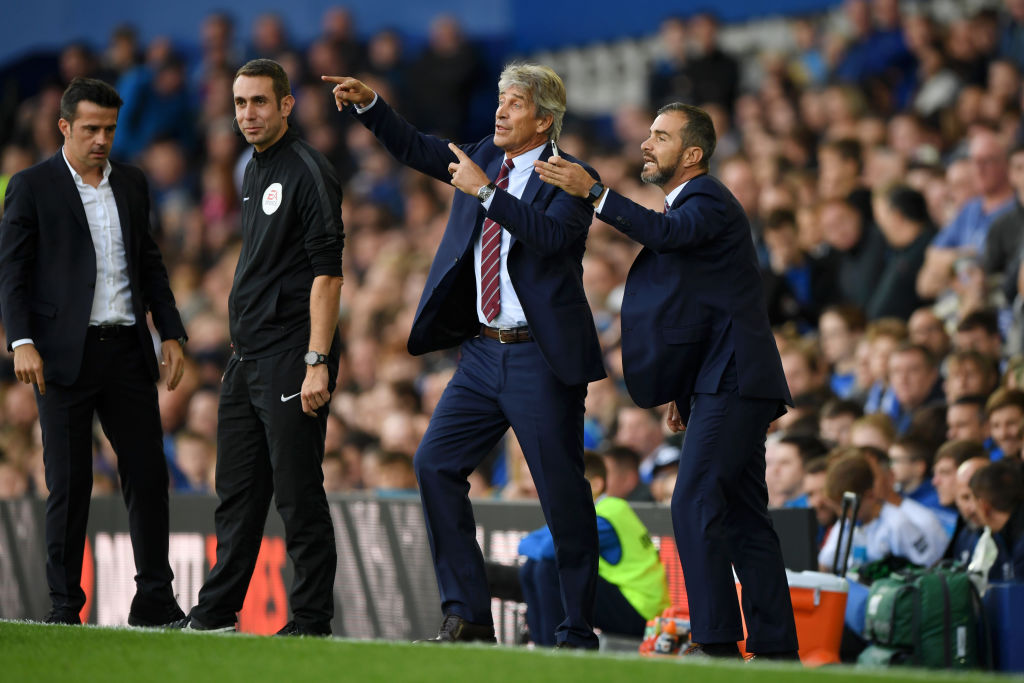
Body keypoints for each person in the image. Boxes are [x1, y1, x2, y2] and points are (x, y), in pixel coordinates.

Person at [324, 64, 605, 648]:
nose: (500, 111)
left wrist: (484, 191)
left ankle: (576, 628)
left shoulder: (571, 177)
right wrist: (373, 105)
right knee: (433, 464)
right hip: (481, 353)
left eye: (515, 104)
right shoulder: (484, 154)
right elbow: (420, 150)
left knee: (561, 493)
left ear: (544, 120)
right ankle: (469, 614)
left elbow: (550, 241)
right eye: (499, 100)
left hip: (540, 358)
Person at [534, 103, 798, 659]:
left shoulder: (707, 199)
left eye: (661, 136)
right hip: (721, 380)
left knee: (694, 499)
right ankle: (776, 650)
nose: (647, 145)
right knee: (745, 515)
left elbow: (667, 234)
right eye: (648, 134)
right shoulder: (690, 207)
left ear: (693, 154)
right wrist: (682, 390)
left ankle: (717, 643)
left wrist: (595, 194)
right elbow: (701, 307)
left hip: (734, 376)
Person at [0, 77, 188, 626]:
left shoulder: (131, 183)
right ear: (64, 127)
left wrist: (171, 331)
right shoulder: (32, 186)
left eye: (109, 128)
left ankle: (154, 599)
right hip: (61, 355)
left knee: (149, 475)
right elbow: (11, 272)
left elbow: (148, 262)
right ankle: (64, 607)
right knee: (70, 481)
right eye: (90, 129)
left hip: (127, 350)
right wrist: (22, 340)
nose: (102, 139)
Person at [180, 59, 345, 636]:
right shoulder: (253, 167)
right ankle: (215, 615)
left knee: (297, 492)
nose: (247, 114)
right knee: (238, 495)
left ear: (286, 105)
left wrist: (317, 361)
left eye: (258, 102)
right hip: (245, 356)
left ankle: (311, 620)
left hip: (293, 354)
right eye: (240, 103)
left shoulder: (308, 170)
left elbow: (328, 274)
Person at [517, 452, 670, 645]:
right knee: (531, 566)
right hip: (629, 604)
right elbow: (525, 543)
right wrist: (540, 546)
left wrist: (541, 546)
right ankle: (541, 646)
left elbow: (549, 549)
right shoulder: (591, 511)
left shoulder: (606, 514)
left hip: (644, 616)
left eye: (568, 483)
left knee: (549, 568)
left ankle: (552, 648)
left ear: (596, 485)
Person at [970, 459, 1024, 581]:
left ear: (984, 506)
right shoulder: (1002, 534)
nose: (972, 509)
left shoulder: (1019, 542)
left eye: (972, 500)